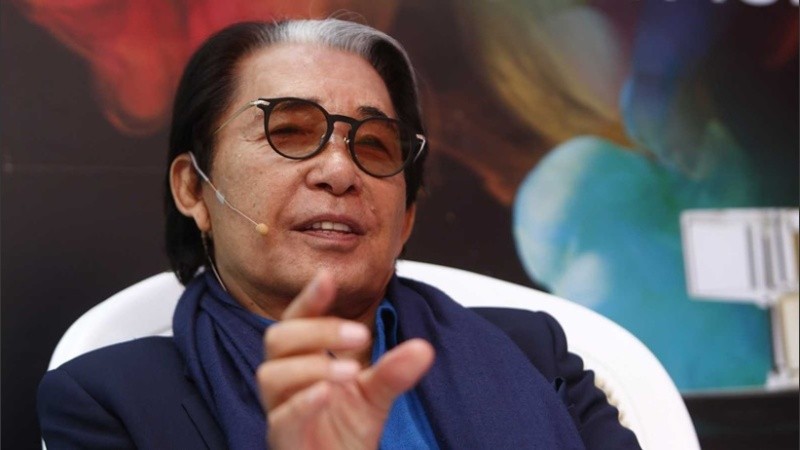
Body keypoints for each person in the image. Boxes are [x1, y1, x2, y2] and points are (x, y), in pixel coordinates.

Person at [38, 19, 641, 449]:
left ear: (405, 220)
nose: (339, 171)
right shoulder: (111, 402)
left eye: (374, 145)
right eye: (289, 131)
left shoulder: (533, 353)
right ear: (194, 190)